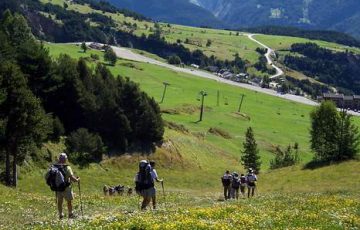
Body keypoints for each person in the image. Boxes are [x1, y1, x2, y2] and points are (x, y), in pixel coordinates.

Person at [55, 153, 80, 219]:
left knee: (60, 202)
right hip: (66, 187)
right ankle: (70, 214)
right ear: (65, 159)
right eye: (66, 158)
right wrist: (77, 180)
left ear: (59, 159)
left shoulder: (55, 167)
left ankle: (61, 215)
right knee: (69, 201)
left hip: (58, 188)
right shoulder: (67, 167)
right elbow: (72, 178)